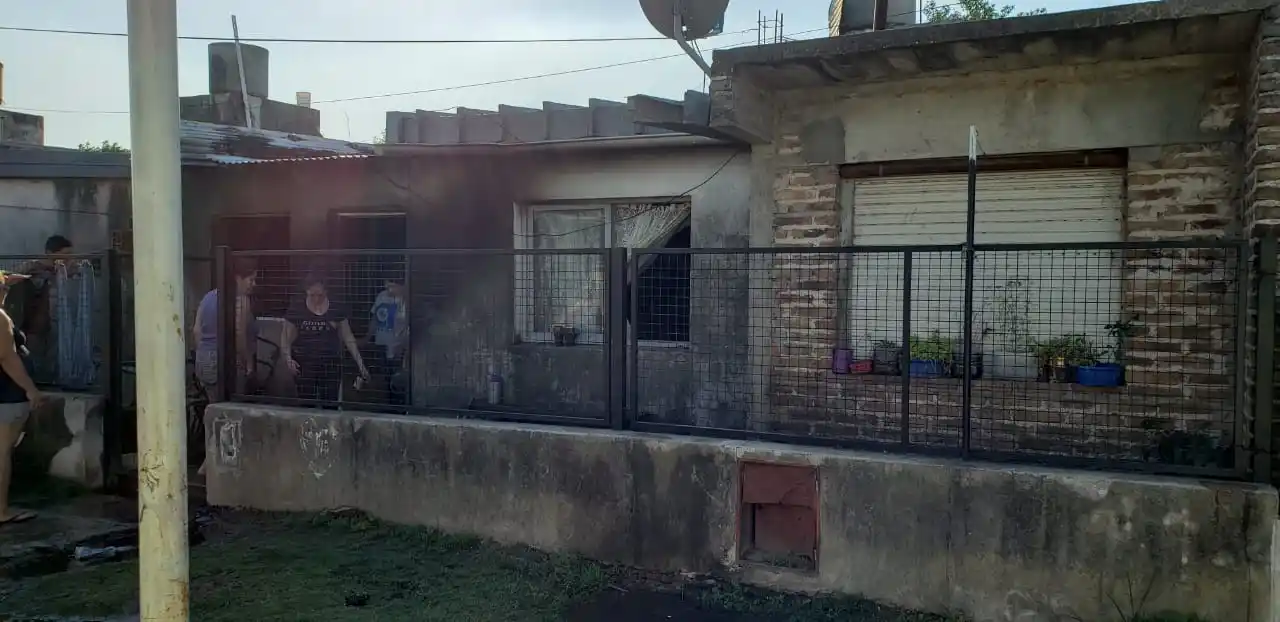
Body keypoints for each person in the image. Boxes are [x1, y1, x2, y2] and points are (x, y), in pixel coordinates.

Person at [0, 271, 45, 526]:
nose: (5, 293)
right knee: (2, 452)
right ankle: (1, 510)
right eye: (2, 289)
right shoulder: (0, 317)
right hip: (7, 394)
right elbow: (7, 358)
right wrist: (31, 389)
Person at [283, 274, 369, 404]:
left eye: (320, 295)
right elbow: (285, 337)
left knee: (330, 403)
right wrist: (288, 359)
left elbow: (347, 336)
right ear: (306, 291)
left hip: (331, 364)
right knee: (307, 404)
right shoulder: (297, 307)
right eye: (312, 295)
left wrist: (360, 364)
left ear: (326, 292)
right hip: (304, 364)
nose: (316, 299)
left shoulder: (336, 307)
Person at [191, 257, 258, 400]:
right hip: (227, 362)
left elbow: (197, 331)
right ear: (238, 278)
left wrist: (204, 354)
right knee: (233, 409)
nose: (254, 284)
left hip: (204, 362)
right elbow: (239, 334)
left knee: (214, 406)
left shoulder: (208, 296)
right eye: (251, 280)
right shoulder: (241, 300)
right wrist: (248, 363)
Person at [365, 272, 408, 404]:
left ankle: (400, 406)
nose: (389, 290)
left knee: (398, 379)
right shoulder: (382, 296)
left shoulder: (406, 300)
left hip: (398, 346)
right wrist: (367, 338)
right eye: (387, 286)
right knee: (384, 378)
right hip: (381, 343)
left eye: (393, 287)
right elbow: (375, 319)